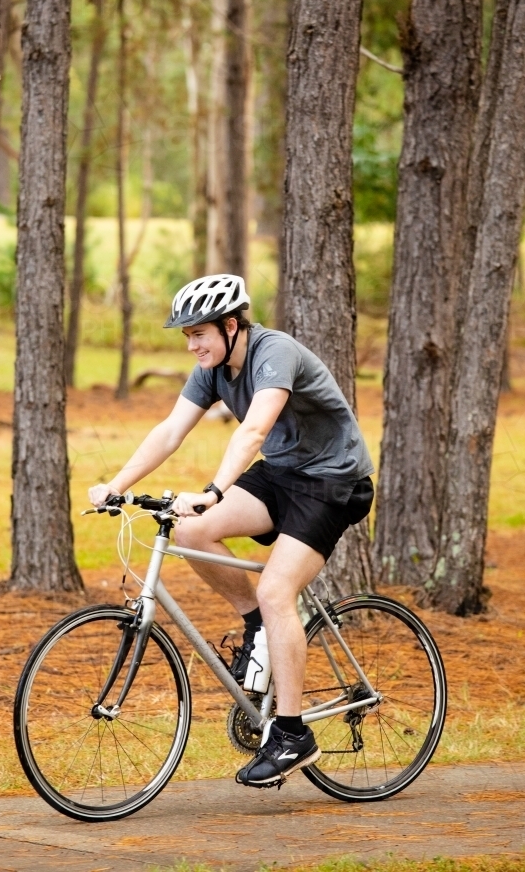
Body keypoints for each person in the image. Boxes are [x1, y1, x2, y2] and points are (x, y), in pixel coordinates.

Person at [89, 274, 374, 788]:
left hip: (333, 482)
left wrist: (215, 490)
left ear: (230, 325)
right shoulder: (213, 369)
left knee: (276, 589)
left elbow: (255, 430)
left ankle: (291, 734)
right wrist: (117, 484)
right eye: (186, 336)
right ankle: (257, 627)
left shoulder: (274, 352)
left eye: (199, 333)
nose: (192, 345)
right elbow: (171, 430)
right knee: (191, 531)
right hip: (283, 475)